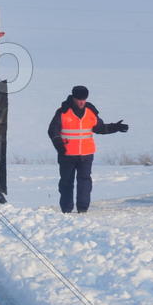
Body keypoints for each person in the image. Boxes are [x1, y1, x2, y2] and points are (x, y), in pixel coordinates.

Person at [47, 85, 129, 213]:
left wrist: (115, 127)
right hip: (67, 155)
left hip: (86, 154)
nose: (81, 102)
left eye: (84, 99)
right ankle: (66, 210)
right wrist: (59, 146)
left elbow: (100, 128)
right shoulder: (63, 112)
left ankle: (82, 209)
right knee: (66, 183)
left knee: (85, 182)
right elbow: (53, 130)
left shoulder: (90, 111)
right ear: (73, 98)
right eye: (79, 99)